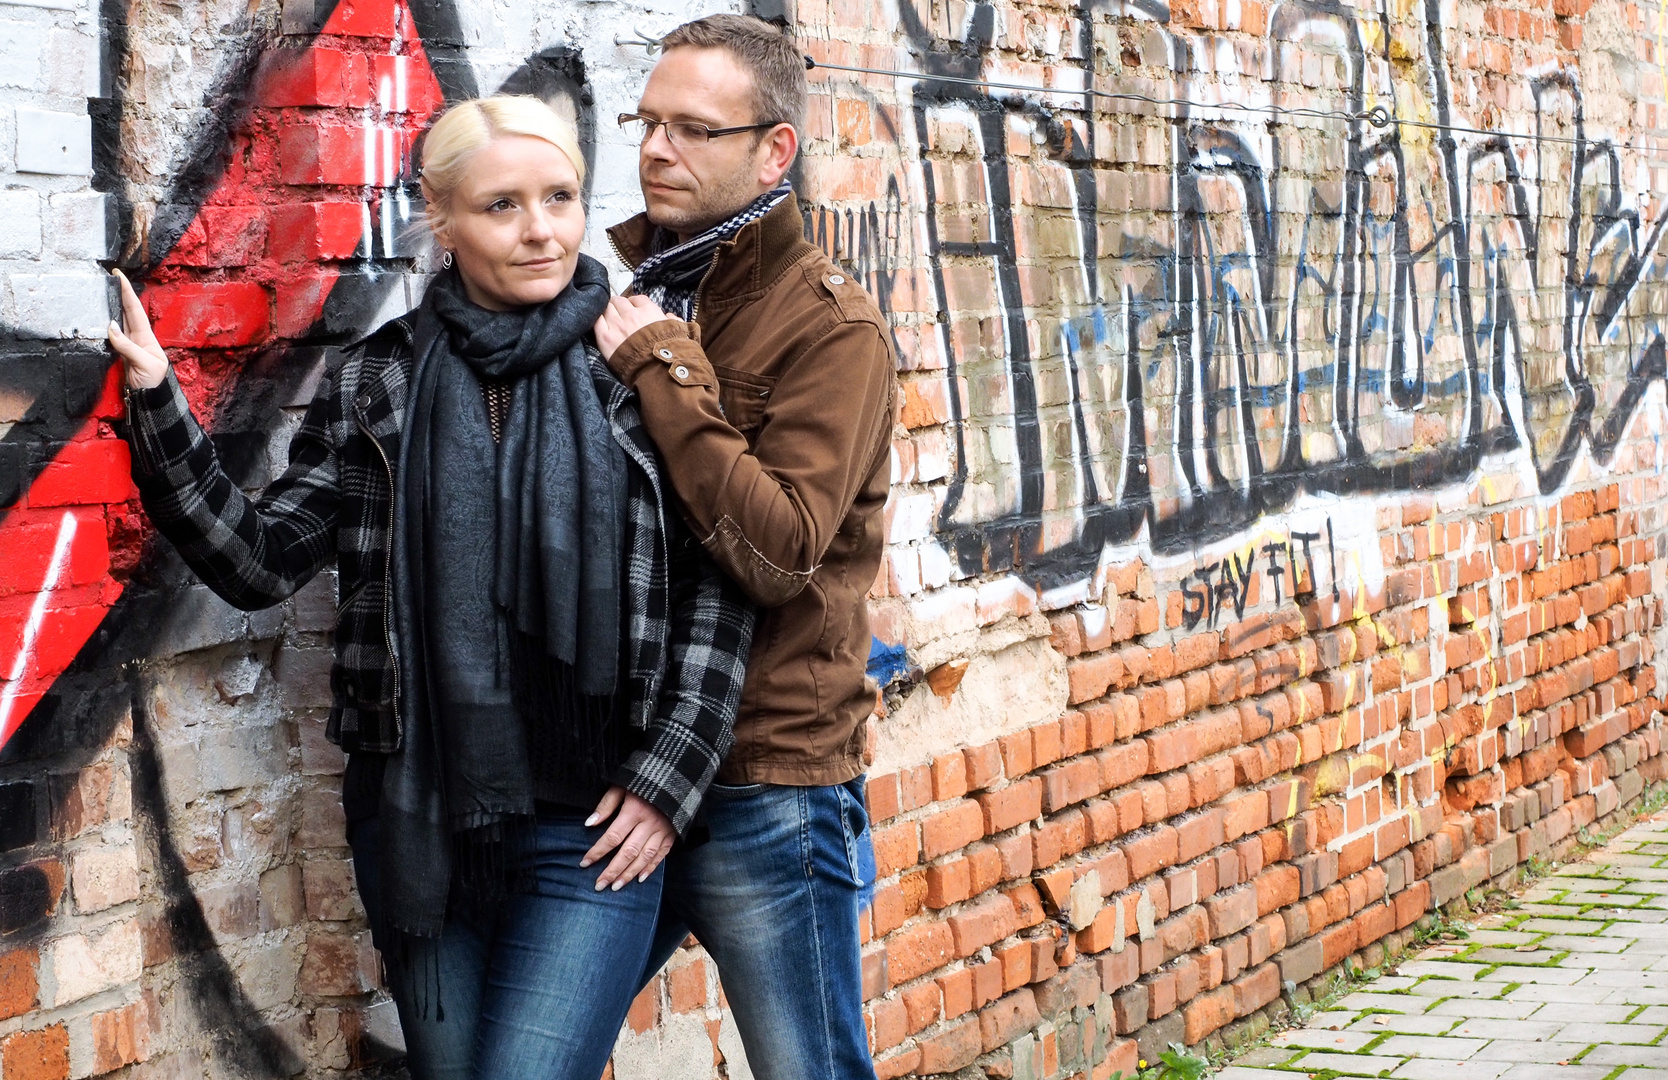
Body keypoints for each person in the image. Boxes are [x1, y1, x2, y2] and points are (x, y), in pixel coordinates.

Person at [110, 95, 754, 1080]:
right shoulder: (382, 379)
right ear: (441, 222)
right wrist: (159, 402)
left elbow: (722, 585)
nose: (542, 228)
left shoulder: (642, 363)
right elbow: (259, 559)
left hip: (597, 828)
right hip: (420, 829)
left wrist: (669, 781)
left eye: (562, 197)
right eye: (503, 206)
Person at [592, 15, 895, 1080]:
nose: (654, 150)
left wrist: (666, 368)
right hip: (624, 771)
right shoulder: (625, 295)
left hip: (766, 778)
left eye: (692, 130)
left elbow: (778, 552)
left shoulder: (830, 331)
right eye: (648, 123)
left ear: (774, 149)